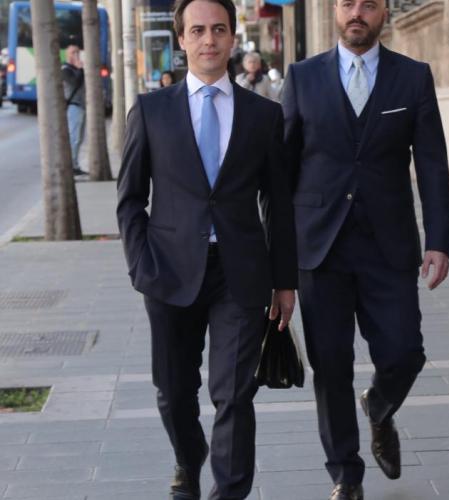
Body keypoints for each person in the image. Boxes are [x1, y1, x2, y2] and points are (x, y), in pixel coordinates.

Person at [116, 0, 298, 498]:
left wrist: (285, 281)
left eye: (218, 29)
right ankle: (188, 456)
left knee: (234, 393)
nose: (208, 40)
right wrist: (141, 264)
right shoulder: (151, 110)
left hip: (240, 275)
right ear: (181, 39)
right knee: (174, 393)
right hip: (168, 273)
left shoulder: (264, 115)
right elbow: (130, 199)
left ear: (233, 37)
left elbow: (277, 204)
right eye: (197, 30)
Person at [281, 0, 449, 497]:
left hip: (388, 245)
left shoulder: (413, 77)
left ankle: (378, 404)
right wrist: (277, 257)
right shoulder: (302, 77)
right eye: (348, 3)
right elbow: (283, 168)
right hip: (320, 247)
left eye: (369, 5)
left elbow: (433, 165)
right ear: (336, 10)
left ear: (384, 13)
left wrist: (439, 240)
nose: (357, 12)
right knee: (330, 365)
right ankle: (345, 475)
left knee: (405, 351)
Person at [61, 44, 86, 176]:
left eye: (77, 52)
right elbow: (75, 82)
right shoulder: (65, 69)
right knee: (74, 138)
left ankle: (75, 164)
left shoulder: (76, 69)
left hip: (81, 106)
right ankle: (71, 166)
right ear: (67, 55)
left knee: (79, 138)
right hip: (73, 106)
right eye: (73, 53)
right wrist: (80, 68)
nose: (76, 55)